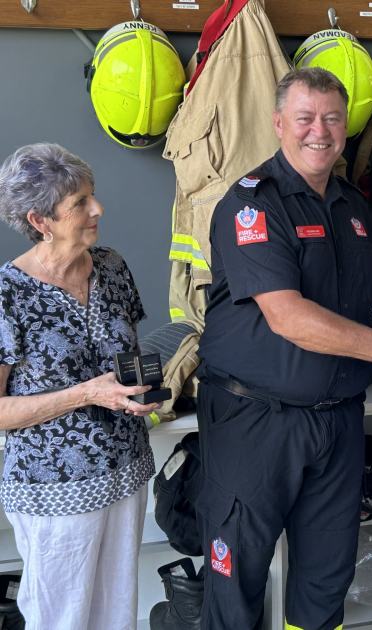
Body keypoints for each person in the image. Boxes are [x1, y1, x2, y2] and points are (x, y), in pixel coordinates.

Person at [195, 67, 372, 630]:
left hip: (338, 423)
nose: (320, 131)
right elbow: (289, 317)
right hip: (255, 421)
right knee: (236, 575)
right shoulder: (252, 206)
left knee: (326, 576)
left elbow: (362, 309)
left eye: (332, 119)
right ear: (279, 123)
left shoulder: (351, 207)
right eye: (306, 118)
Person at [0, 143, 160, 630]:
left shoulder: (111, 267)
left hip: (125, 471)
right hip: (55, 488)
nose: (98, 209)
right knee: (62, 618)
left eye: (94, 196)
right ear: (40, 220)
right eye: (80, 204)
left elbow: (124, 357)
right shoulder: (8, 293)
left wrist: (141, 390)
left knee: (116, 613)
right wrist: (86, 393)